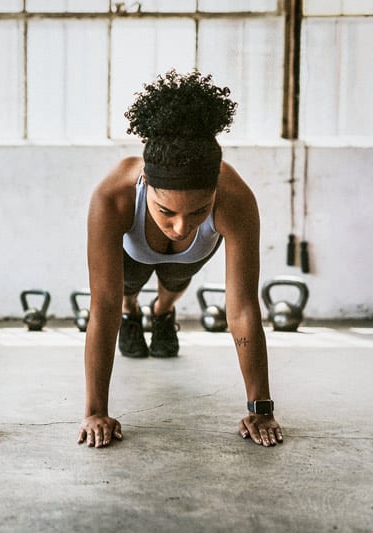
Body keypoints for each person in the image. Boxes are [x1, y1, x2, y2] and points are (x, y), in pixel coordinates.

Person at [78, 70, 283, 449]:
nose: (180, 226)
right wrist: (95, 411)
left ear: (215, 191)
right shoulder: (113, 198)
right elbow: (100, 305)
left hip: (186, 263)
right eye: (166, 211)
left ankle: (162, 313)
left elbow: (241, 308)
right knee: (123, 292)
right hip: (131, 257)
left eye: (199, 211)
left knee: (173, 284)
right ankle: (134, 312)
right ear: (145, 183)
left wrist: (261, 406)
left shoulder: (236, 200)